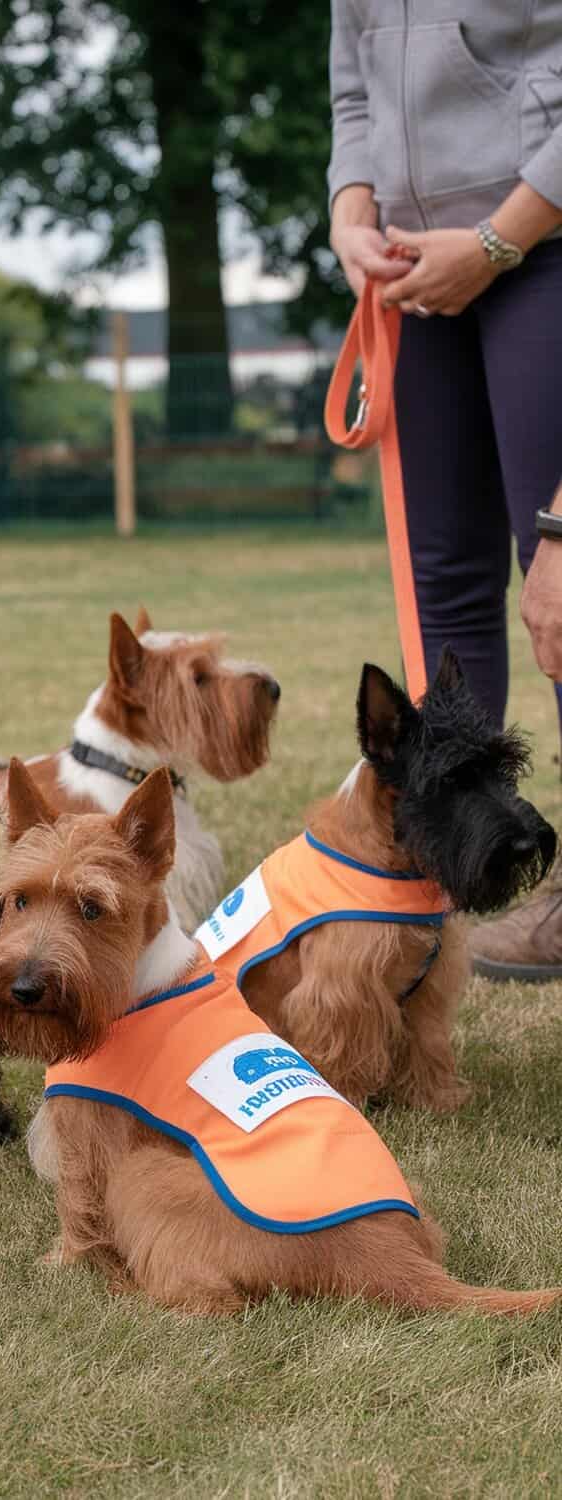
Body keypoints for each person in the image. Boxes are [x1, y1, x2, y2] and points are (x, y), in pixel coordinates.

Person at [327, 3, 562, 980]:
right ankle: (449, 866)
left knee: (556, 574)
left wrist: (499, 243)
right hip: (416, 263)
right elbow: (352, 88)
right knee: (443, 584)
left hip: (540, 242)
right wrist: (350, 214)